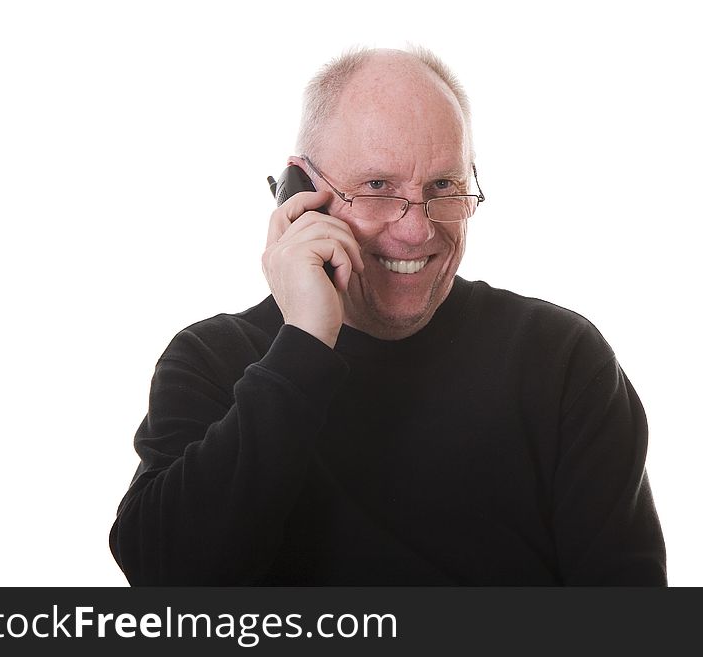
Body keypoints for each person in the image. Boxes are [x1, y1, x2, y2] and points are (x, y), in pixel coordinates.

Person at [109, 46, 667, 586]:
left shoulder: (560, 359)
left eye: (444, 187)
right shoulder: (210, 361)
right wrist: (304, 344)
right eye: (378, 187)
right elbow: (166, 580)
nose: (417, 229)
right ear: (299, 193)